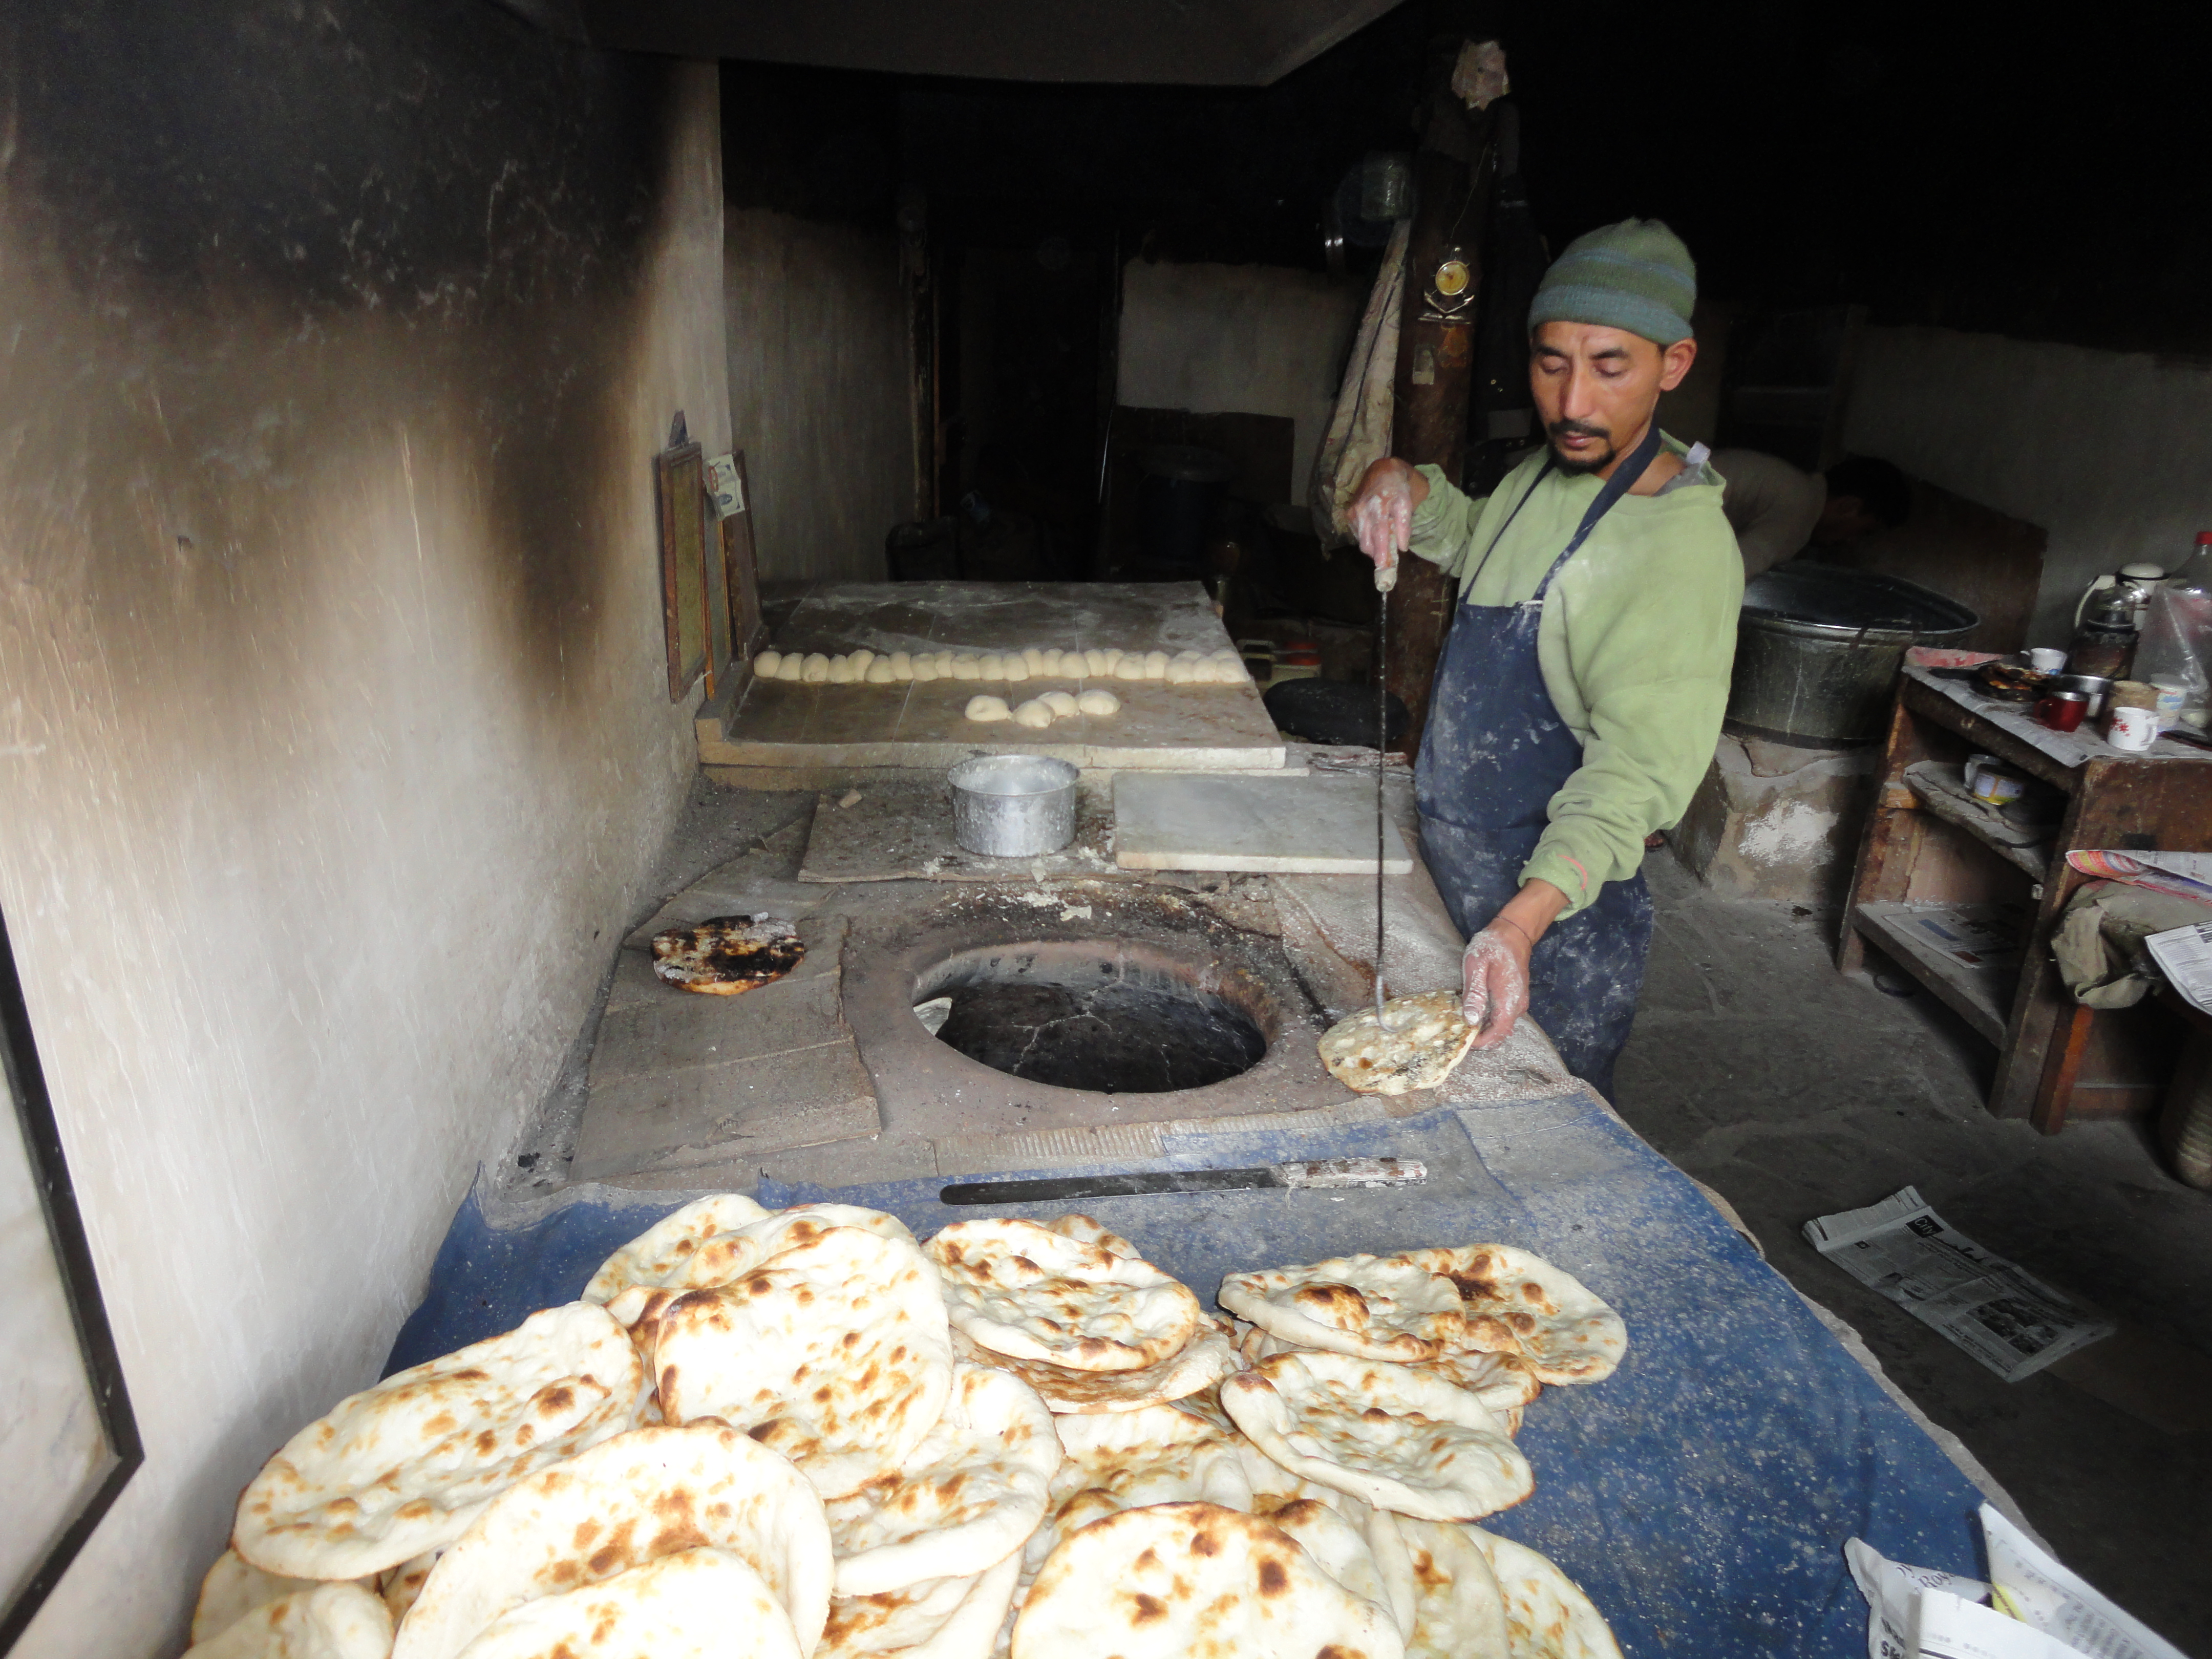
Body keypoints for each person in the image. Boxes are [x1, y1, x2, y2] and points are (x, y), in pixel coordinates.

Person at [1348, 219, 1741, 1101]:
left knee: (1529, 1128)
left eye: (1610, 368)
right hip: (1463, 881)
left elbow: (1634, 778)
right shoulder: (1543, 476)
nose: (1572, 403)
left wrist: (1520, 928)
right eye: (1551, 363)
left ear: (1673, 364)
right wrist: (1398, 478)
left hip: (1555, 926)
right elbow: (1473, 539)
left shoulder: (1678, 548)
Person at [1714, 450, 1913, 577]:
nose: (1852, 541)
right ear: (1849, 506)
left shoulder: (1795, 486)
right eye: (1864, 532)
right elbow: (1730, 573)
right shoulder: (1800, 515)